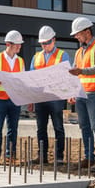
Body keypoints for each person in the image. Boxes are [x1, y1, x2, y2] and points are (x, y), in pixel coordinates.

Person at [67, 16, 95, 171]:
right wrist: (72, 91)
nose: (76, 37)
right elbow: (74, 73)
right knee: (84, 127)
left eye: (78, 34)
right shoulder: (79, 52)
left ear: (87, 31)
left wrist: (80, 71)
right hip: (81, 94)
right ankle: (89, 157)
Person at [29, 25, 70, 164]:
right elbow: (31, 79)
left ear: (54, 40)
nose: (45, 45)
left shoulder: (62, 55)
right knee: (41, 128)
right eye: (42, 43)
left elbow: (66, 76)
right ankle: (42, 156)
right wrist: (31, 99)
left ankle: (59, 157)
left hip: (55, 97)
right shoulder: (36, 57)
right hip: (40, 98)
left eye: (47, 42)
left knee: (58, 127)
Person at [0, 30, 25, 163]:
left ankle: (10, 156)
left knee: (13, 129)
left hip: (14, 100)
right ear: (8, 44)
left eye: (20, 44)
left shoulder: (20, 61)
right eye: (17, 44)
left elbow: (22, 80)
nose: (19, 46)